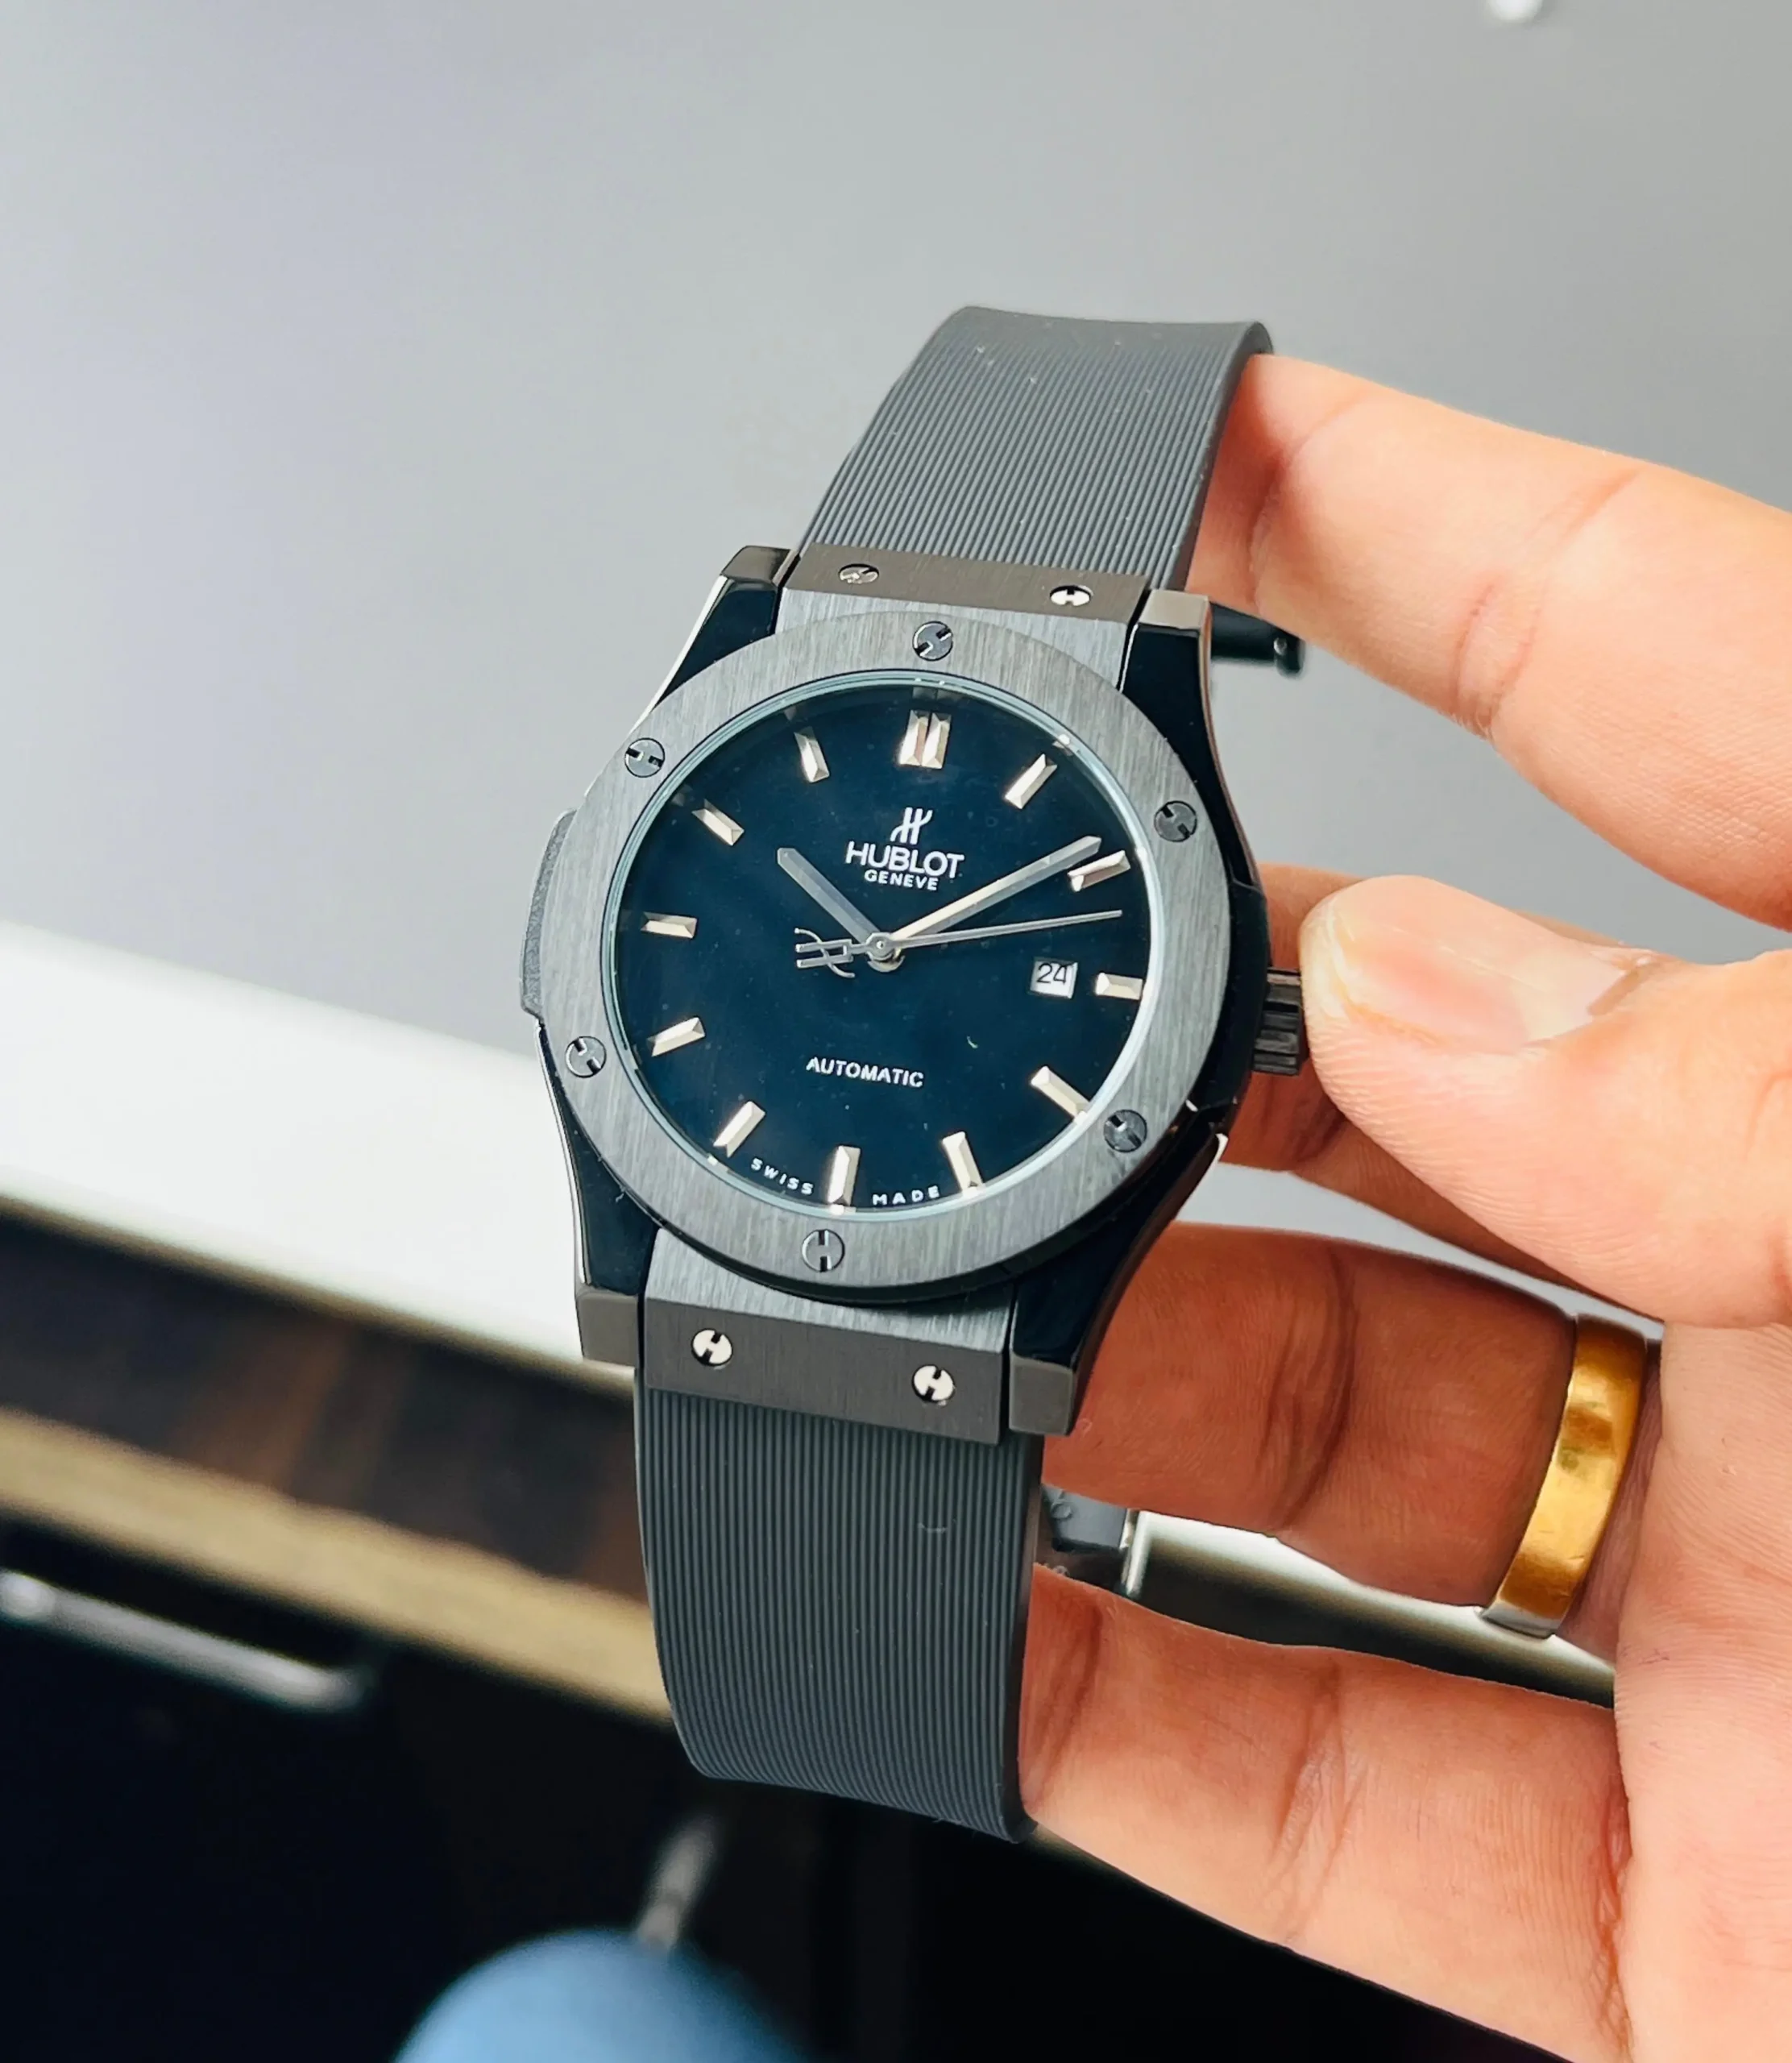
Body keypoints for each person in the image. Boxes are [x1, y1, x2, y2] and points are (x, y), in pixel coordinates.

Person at [409, 358, 1792, 2061]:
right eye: (860, 937)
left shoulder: (1109, 749)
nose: (879, 955)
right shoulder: (756, 649)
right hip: (711, 1236)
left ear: (1232, 1021)